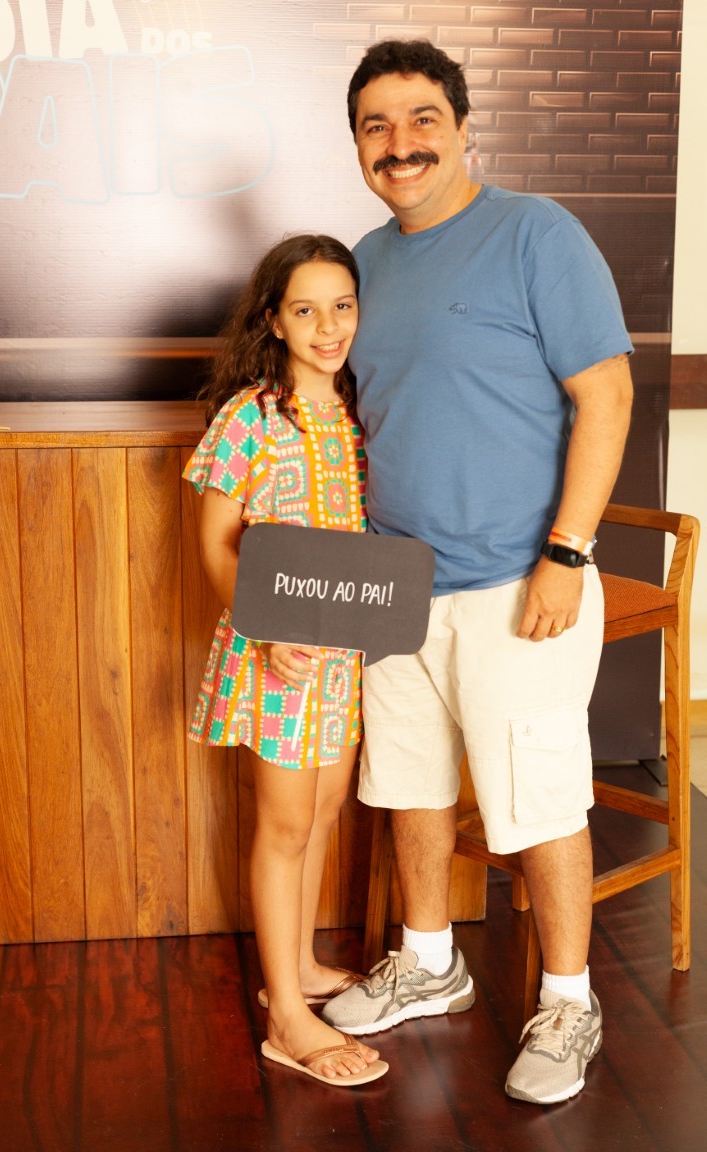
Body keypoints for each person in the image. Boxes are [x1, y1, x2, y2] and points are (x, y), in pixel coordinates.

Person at [321, 40, 634, 1105]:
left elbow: (606, 395)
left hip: (519, 579)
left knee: (538, 797)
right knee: (407, 784)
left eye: (421, 119)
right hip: (398, 580)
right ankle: (429, 962)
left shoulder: (536, 233)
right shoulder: (363, 264)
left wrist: (567, 552)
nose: (399, 144)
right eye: (376, 125)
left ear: (463, 127)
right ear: (357, 144)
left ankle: (570, 1000)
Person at [182, 234, 388, 1087]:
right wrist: (266, 630)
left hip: (344, 653)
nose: (328, 327)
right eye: (306, 310)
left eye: (342, 306)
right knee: (285, 824)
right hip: (277, 656)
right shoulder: (250, 416)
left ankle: (295, 969)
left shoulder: (362, 409)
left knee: (326, 806)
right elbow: (215, 543)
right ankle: (287, 1022)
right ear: (273, 320)